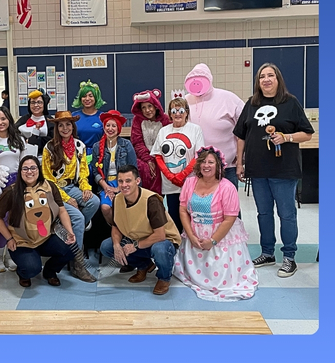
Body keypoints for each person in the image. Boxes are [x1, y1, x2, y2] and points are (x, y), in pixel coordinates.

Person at [234, 63, 314, 277]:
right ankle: (267, 252)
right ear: (257, 82)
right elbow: (241, 134)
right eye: (262, 76)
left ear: (278, 79)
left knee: (286, 214)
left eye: (271, 75)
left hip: (284, 170)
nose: (266, 79)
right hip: (258, 169)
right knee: (263, 213)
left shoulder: (290, 102)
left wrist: (286, 137)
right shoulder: (251, 104)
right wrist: (240, 162)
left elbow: (307, 133)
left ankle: (289, 257)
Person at [174, 147, 258, 301]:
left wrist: (213, 241)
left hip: (220, 235)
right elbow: (183, 210)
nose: (206, 165)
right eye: (203, 162)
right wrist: (191, 236)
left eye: (211, 162)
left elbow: (230, 218)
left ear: (219, 165)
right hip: (195, 233)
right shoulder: (190, 182)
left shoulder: (227, 187)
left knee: (220, 277)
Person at [0, 156, 77, 288]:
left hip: (45, 237)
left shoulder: (49, 186)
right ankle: (23, 273)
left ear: (39, 169)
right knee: (32, 268)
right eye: (25, 169)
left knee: (71, 248)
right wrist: (9, 239)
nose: (29, 172)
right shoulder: (12, 192)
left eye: (33, 168)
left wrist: (70, 232)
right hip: (23, 242)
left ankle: (50, 272)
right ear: (20, 171)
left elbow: (62, 210)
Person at [99, 165, 180, 296]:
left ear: (137, 181)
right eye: (120, 181)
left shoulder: (151, 200)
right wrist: (116, 245)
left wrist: (135, 246)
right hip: (136, 238)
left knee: (160, 249)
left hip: (162, 240)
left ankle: (164, 278)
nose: (124, 185)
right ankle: (144, 265)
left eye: (128, 181)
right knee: (107, 247)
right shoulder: (117, 199)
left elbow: (160, 235)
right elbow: (116, 226)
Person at [41, 110, 100, 257]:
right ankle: (77, 259)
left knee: (94, 201)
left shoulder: (79, 146)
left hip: (71, 187)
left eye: (68, 124)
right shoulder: (49, 148)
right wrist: (66, 199)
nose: (65, 128)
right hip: (53, 191)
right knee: (79, 218)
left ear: (73, 127)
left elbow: (83, 173)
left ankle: (67, 228)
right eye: (61, 125)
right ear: (57, 128)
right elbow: (48, 180)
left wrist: (86, 188)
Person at [0, 106, 32, 272]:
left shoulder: (18, 139)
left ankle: (10, 256)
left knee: (15, 221)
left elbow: (26, 164)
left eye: (3, 119)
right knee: (1, 221)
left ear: (9, 120)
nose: (0, 122)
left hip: (17, 183)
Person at [183, 63, 244, 187]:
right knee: (200, 204)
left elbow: (245, 129)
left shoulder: (229, 98)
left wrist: (242, 157)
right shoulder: (186, 101)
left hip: (227, 167)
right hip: (197, 168)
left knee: (229, 205)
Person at [154, 97, 205, 231]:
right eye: (174, 110)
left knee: (191, 216)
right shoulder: (163, 131)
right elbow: (158, 155)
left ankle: (191, 247)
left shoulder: (195, 129)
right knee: (174, 215)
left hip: (189, 181)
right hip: (170, 184)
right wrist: (170, 176)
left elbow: (198, 155)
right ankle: (176, 247)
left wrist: (182, 175)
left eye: (181, 110)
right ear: (169, 113)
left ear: (187, 112)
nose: (177, 114)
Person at [92, 110, 136, 226]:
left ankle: (126, 231)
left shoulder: (126, 145)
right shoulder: (97, 146)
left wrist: (119, 188)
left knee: (124, 207)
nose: (110, 128)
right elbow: (95, 171)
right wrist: (106, 188)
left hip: (124, 183)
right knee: (106, 208)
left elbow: (133, 169)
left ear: (118, 128)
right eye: (108, 125)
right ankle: (117, 228)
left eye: (113, 126)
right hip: (106, 184)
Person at [130, 89, 172, 193]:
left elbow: (169, 141)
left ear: (155, 106)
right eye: (143, 107)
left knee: (161, 169)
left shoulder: (165, 120)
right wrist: (148, 160)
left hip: (162, 157)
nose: (147, 110)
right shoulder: (137, 120)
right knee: (141, 168)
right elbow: (137, 142)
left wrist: (156, 159)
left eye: (149, 106)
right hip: (144, 158)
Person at [16, 90, 52, 156]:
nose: (36, 105)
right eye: (33, 102)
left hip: (45, 156)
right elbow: (14, 133)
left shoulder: (50, 120)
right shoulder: (23, 119)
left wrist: (35, 141)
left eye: (39, 102)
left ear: (44, 104)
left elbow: (53, 140)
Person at [72, 80, 106, 151]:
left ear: (96, 98)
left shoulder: (103, 117)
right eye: (84, 96)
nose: (87, 99)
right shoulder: (74, 116)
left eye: (90, 96)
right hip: (77, 154)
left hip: (98, 154)